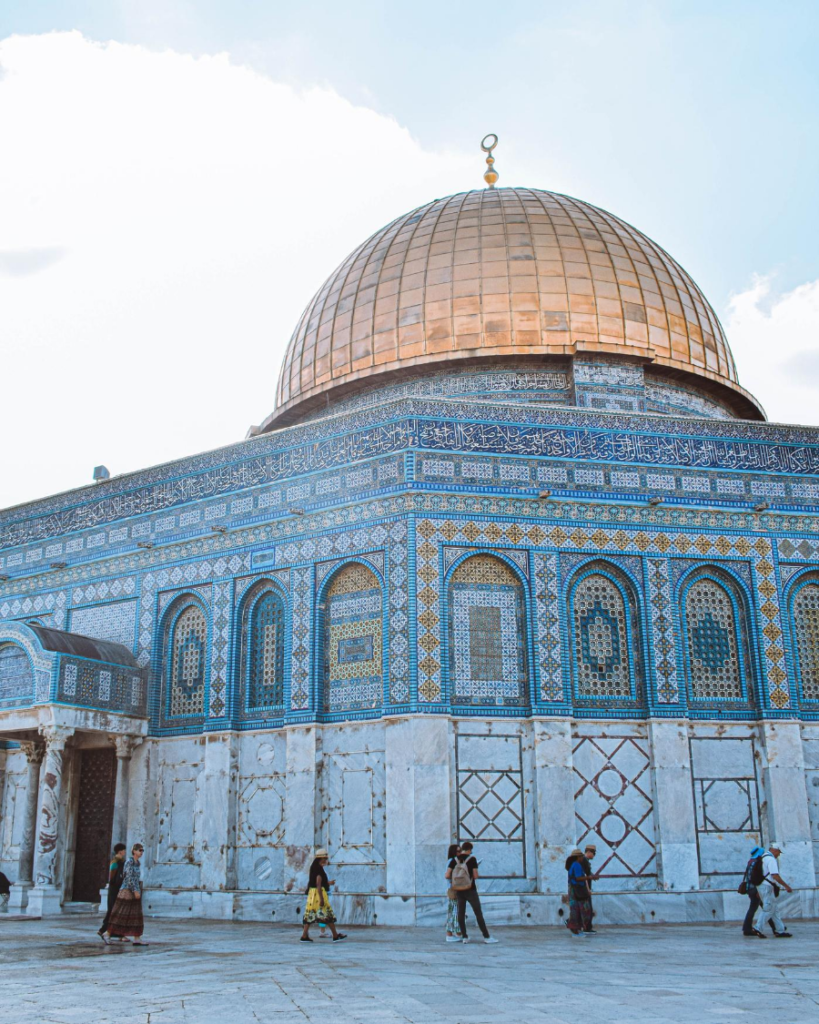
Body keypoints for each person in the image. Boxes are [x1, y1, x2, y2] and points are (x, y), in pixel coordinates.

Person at [445, 841, 498, 944]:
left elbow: (447, 875)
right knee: (478, 913)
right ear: (469, 849)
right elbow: (475, 876)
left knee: (460, 913)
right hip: (470, 889)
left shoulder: (454, 860)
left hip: (459, 890)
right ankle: (486, 937)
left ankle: (464, 937)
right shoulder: (472, 859)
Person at [300, 848, 347, 942]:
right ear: (321, 859)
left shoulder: (314, 867)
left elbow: (317, 882)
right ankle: (335, 936)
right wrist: (321, 899)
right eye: (325, 858)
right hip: (318, 895)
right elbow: (318, 884)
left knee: (309, 915)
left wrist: (328, 883)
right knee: (328, 916)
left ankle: (304, 936)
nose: (326, 860)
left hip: (312, 895)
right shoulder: (318, 869)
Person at [107, 843, 148, 945]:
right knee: (121, 913)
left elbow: (136, 878)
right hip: (127, 890)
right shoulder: (129, 862)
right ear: (134, 851)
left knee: (136, 914)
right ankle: (107, 933)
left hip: (135, 891)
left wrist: (137, 890)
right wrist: (135, 890)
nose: (141, 852)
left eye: (142, 850)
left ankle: (137, 938)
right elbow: (129, 877)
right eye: (139, 850)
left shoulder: (137, 863)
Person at [753, 842, 793, 938]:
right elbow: (775, 875)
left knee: (774, 909)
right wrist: (786, 886)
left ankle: (780, 930)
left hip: (762, 886)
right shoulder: (771, 860)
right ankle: (758, 928)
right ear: (775, 850)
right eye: (779, 852)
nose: (779, 854)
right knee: (769, 909)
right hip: (767, 887)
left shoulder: (763, 857)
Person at [98, 843, 127, 943]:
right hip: (115, 889)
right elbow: (112, 878)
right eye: (124, 850)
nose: (125, 852)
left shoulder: (121, 862)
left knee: (116, 910)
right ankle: (104, 930)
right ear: (120, 851)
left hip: (118, 888)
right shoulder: (115, 862)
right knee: (113, 910)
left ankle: (116, 933)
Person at [565, 849, 594, 935]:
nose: (582, 858)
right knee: (580, 909)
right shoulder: (576, 865)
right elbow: (578, 878)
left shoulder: (574, 865)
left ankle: (576, 928)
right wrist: (589, 878)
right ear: (578, 857)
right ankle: (575, 928)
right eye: (581, 856)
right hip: (576, 890)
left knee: (576, 909)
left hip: (574, 889)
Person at [740, 846, 765, 938]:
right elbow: (756, 878)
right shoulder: (756, 863)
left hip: (750, 888)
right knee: (756, 908)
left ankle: (777, 926)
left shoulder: (750, 862)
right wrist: (758, 890)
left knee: (767, 908)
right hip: (755, 889)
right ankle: (747, 928)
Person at [444, 844, 463, 943]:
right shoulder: (452, 861)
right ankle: (458, 933)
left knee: (452, 912)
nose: (460, 853)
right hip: (453, 889)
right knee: (456, 912)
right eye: (458, 851)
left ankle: (450, 934)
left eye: (460, 851)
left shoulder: (452, 861)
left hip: (452, 889)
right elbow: (447, 875)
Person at [579, 843, 598, 933]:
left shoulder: (583, 860)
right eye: (594, 853)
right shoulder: (584, 861)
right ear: (589, 852)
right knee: (587, 909)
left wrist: (592, 876)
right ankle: (587, 928)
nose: (594, 856)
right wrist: (588, 889)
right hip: (584, 889)